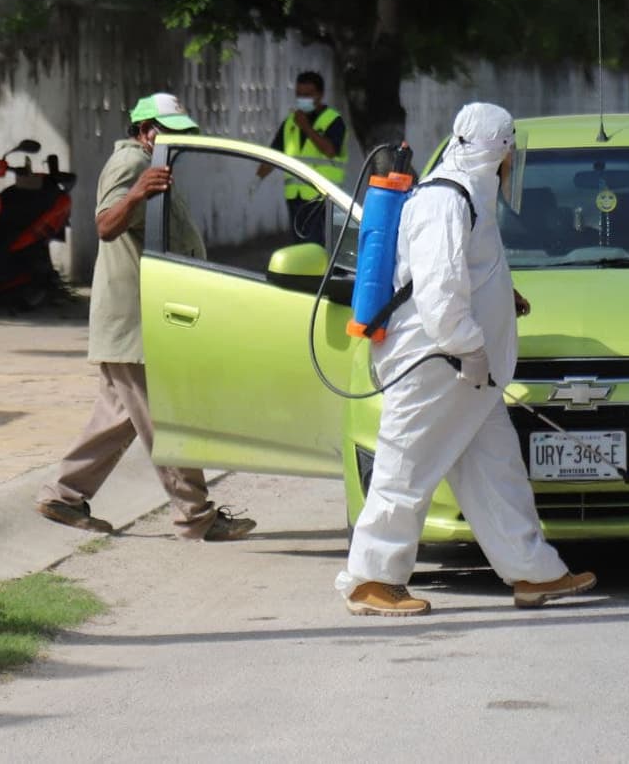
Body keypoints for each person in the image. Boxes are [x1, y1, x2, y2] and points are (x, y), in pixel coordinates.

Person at [335, 102, 596, 616]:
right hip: (436, 364)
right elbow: (438, 293)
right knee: (404, 467)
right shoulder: (444, 200)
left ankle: (534, 573)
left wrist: (503, 297)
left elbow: (470, 269)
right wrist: (471, 350)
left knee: (497, 471)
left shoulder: (468, 194)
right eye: (509, 154)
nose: (511, 166)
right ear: (497, 151)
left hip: (465, 373)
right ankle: (371, 579)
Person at [35, 93, 257, 541]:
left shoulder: (155, 164)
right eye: (167, 128)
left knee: (117, 418)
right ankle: (195, 515)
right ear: (144, 129)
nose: (177, 138)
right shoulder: (133, 165)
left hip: (141, 318)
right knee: (164, 418)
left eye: (181, 130)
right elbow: (104, 225)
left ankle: (64, 494)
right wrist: (137, 191)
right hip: (135, 321)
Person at [257, 71, 348, 244]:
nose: (302, 99)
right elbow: (274, 155)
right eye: (299, 95)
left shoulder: (333, 121)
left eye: (307, 95)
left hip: (322, 196)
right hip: (295, 197)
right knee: (300, 247)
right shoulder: (290, 123)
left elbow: (330, 150)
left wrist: (306, 127)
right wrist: (257, 179)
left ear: (320, 95)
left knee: (318, 246)